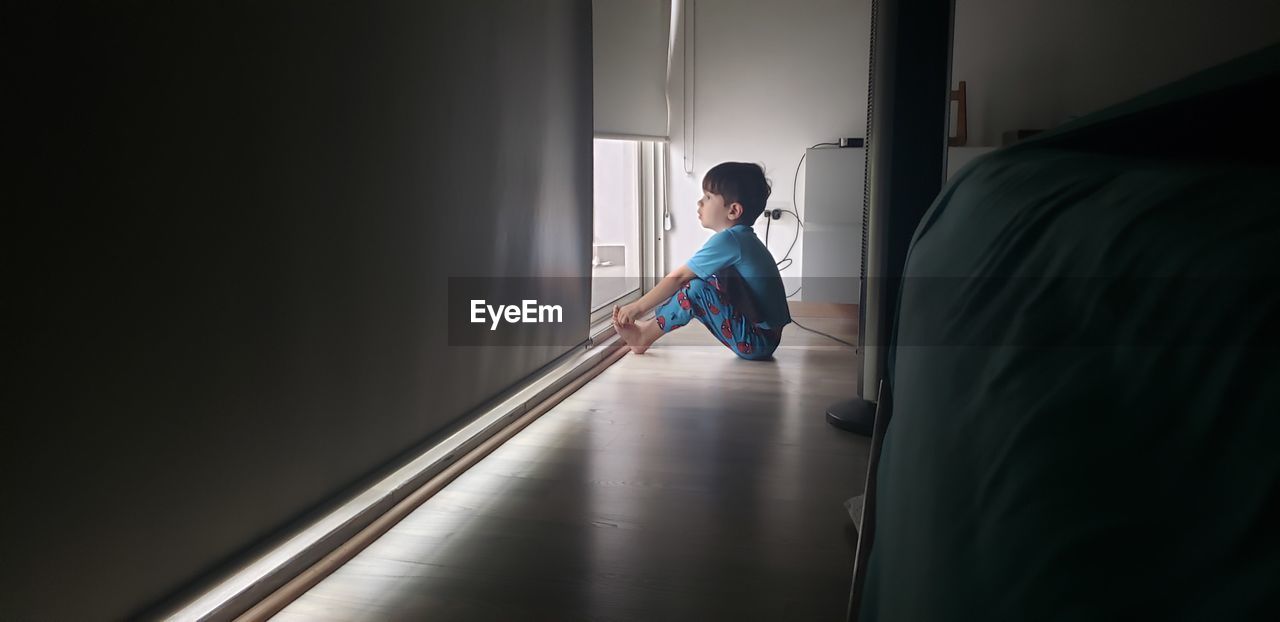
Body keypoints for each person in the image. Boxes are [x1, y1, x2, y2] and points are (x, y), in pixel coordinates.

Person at [612, 162, 791, 360]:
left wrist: (637, 307)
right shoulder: (742, 239)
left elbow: (679, 277)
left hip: (758, 342)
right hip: (765, 337)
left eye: (708, 197)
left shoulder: (730, 240)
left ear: (733, 211)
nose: (699, 203)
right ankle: (649, 328)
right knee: (705, 280)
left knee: (695, 289)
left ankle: (644, 336)